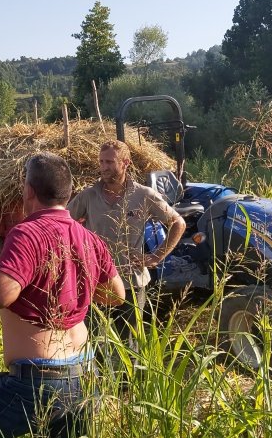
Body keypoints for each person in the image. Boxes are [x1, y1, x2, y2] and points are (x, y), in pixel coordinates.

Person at [0, 152, 125, 438]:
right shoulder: (90, 238)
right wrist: (73, 286)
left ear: (28, 191)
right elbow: (116, 295)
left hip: (38, 381)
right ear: (67, 193)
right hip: (84, 374)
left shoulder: (28, 233)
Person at [67, 140, 186, 343]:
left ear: (125, 163)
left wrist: (155, 257)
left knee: (130, 345)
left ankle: (128, 377)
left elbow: (178, 222)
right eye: (102, 162)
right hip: (96, 283)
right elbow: (63, 222)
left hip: (131, 284)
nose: (104, 167)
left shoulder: (143, 195)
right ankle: (96, 376)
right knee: (91, 343)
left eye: (110, 162)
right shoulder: (88, 196)